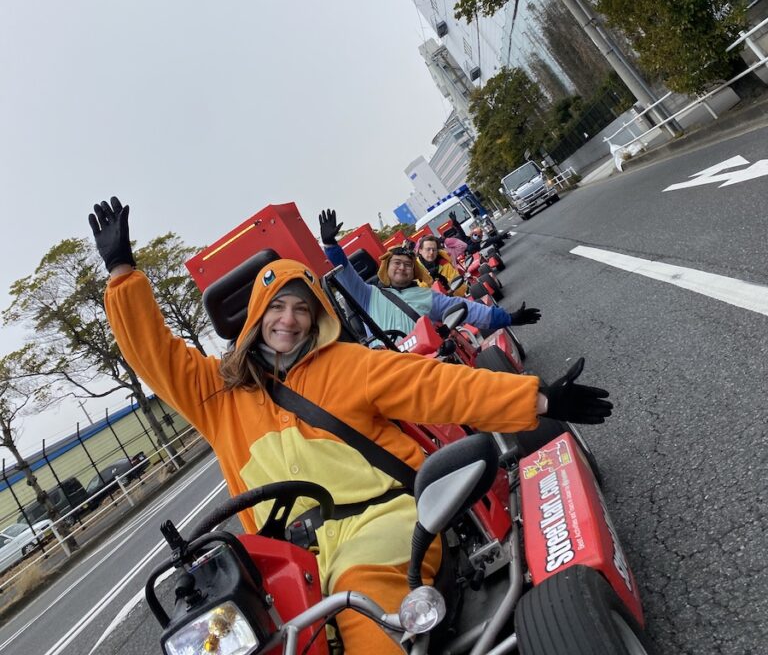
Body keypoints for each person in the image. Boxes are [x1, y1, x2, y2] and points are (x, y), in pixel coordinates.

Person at [90, 197, 612, 655]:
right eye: (276, 308)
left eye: (300, 308)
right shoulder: (217, 396)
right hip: (287, 566)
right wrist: (121, 275)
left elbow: (440, 387)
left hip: (381, 523)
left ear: (317, 315)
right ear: (255, 317)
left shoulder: (346, 364)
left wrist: (538, 399)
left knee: (356, 619)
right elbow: (154, 354)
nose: (288, 320)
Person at [320, 209, 539, 337]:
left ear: (414, 271)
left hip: (430, 365)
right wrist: (330, 245)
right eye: (397, 263)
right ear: (386, 269)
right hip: (387, 372)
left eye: (407, 265)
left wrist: (508, 318)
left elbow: (467, 309)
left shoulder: (426, 295)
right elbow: (346, 273)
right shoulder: (368, 295)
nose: (402, 267)